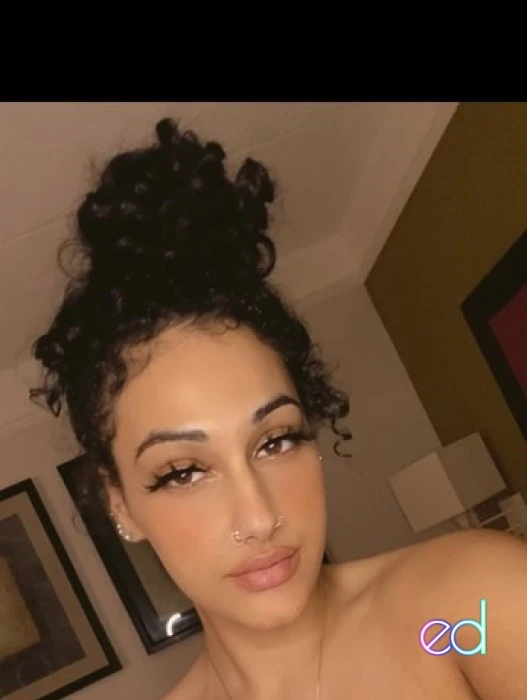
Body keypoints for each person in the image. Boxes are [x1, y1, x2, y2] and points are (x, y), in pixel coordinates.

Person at [30, 117, 527, 699]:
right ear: (121, 505)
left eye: (276, 441)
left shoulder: (462, 613)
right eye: (182, 472)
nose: (259, 517)